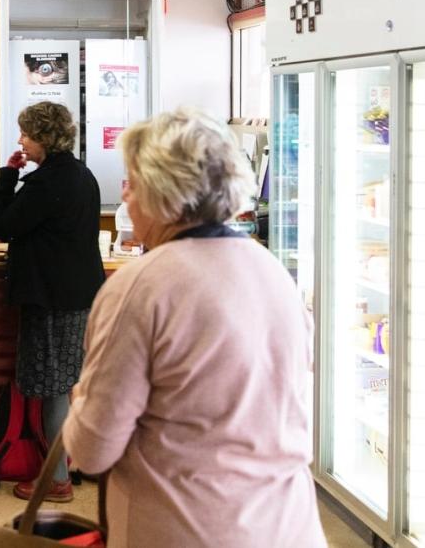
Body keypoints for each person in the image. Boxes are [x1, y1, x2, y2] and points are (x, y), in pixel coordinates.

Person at [62, 108, 326, 548]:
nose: (124, 195)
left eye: (132, 183)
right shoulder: (273, 272)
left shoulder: (140, 286)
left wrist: (79, 404)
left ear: (161, 192)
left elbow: (93, 450)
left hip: (186, 528)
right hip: (287, 525)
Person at [0, 101, 105, 503]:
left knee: (55, 389)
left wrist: (6, 177)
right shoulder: (81, 174)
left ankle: (57, 481)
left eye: (26, 133)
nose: (21, 140)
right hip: (78, 296)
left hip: (53, 298)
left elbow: (3, 225)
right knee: (66, 384)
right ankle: (69, 467)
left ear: (44, 137)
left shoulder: (47, 183)